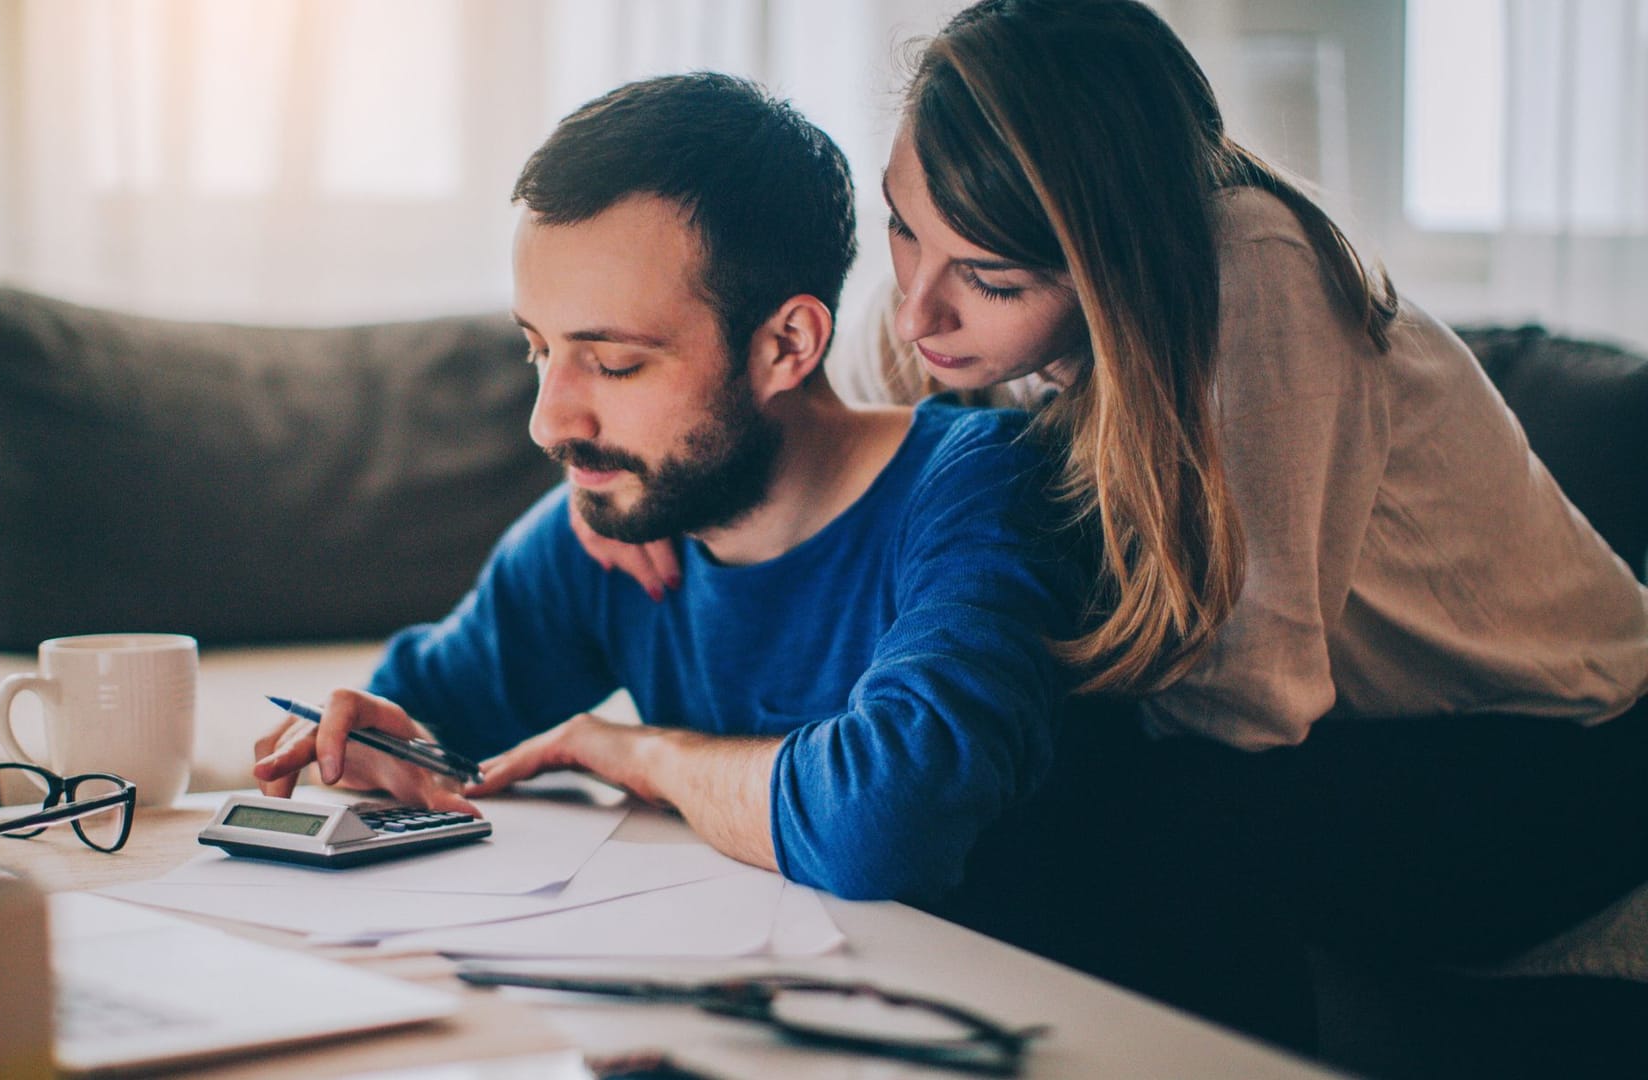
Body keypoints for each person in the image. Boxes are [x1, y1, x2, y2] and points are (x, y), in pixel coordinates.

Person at [572, 0, 1648, 1055]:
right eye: (904, 228)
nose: (918, 312)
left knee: (1105, 812)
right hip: (1351, 734)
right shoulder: (952, 284)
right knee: (964, 765)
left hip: (1563, 746)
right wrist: (634, 477)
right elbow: (807, 419)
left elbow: (1251, 700)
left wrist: (939, 714)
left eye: (991, 280)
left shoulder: (1253, 277)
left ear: (1110, 259)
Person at [252, 72, 1080, 905]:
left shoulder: (986, 489)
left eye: (614, 363)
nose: (549, 423)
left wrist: (642, 753)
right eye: (538, 349)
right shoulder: (617, 524)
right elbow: (423, 712)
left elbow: (885, 828)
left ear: (786, 345)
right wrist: (372, 740)